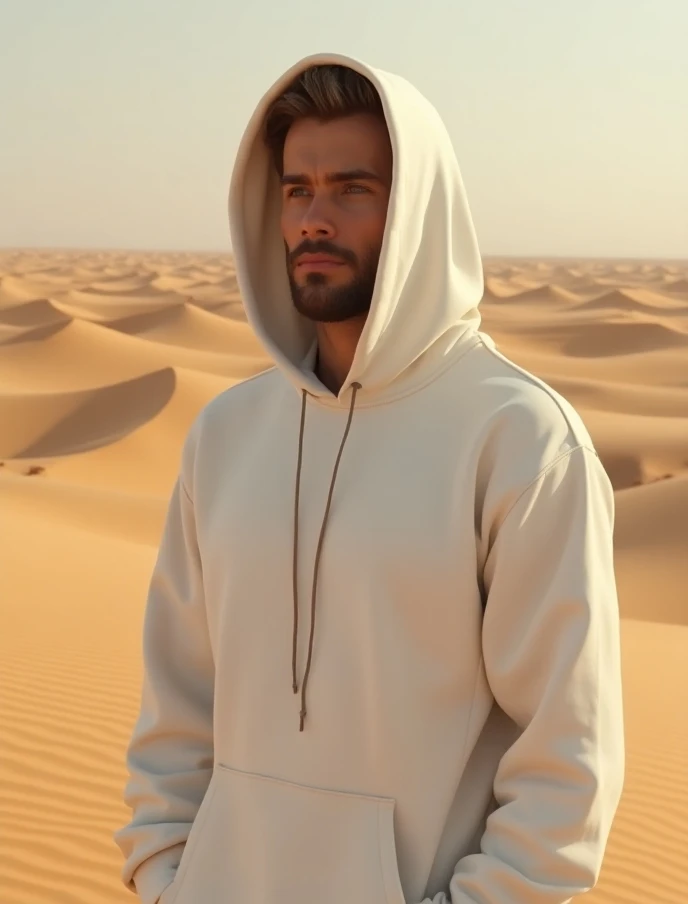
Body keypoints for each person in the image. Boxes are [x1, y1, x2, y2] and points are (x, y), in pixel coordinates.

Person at [114, 53, 624, 904]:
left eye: (353, 189)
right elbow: (176, 703)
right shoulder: (225, 436)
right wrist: (167, 875)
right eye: (296, 189)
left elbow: (567, 768)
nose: (315, 218)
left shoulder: (520, 440)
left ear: (418, 210)